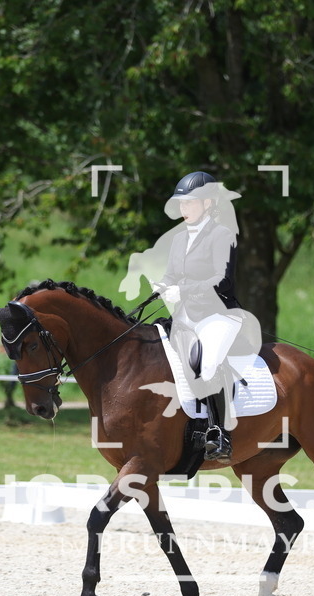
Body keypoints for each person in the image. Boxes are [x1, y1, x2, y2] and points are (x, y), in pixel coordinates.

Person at [119, 171, 260, 463]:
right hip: (185, 317)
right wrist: (162, 286)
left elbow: (221, 280)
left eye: (190, 203)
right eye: (181, 204)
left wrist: (182, 290)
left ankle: (219, 433)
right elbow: (172, 275)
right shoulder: (180, 238)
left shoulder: (222, 235)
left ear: (207, 203)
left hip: (218, 315)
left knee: (207, 363)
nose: (184, 209)